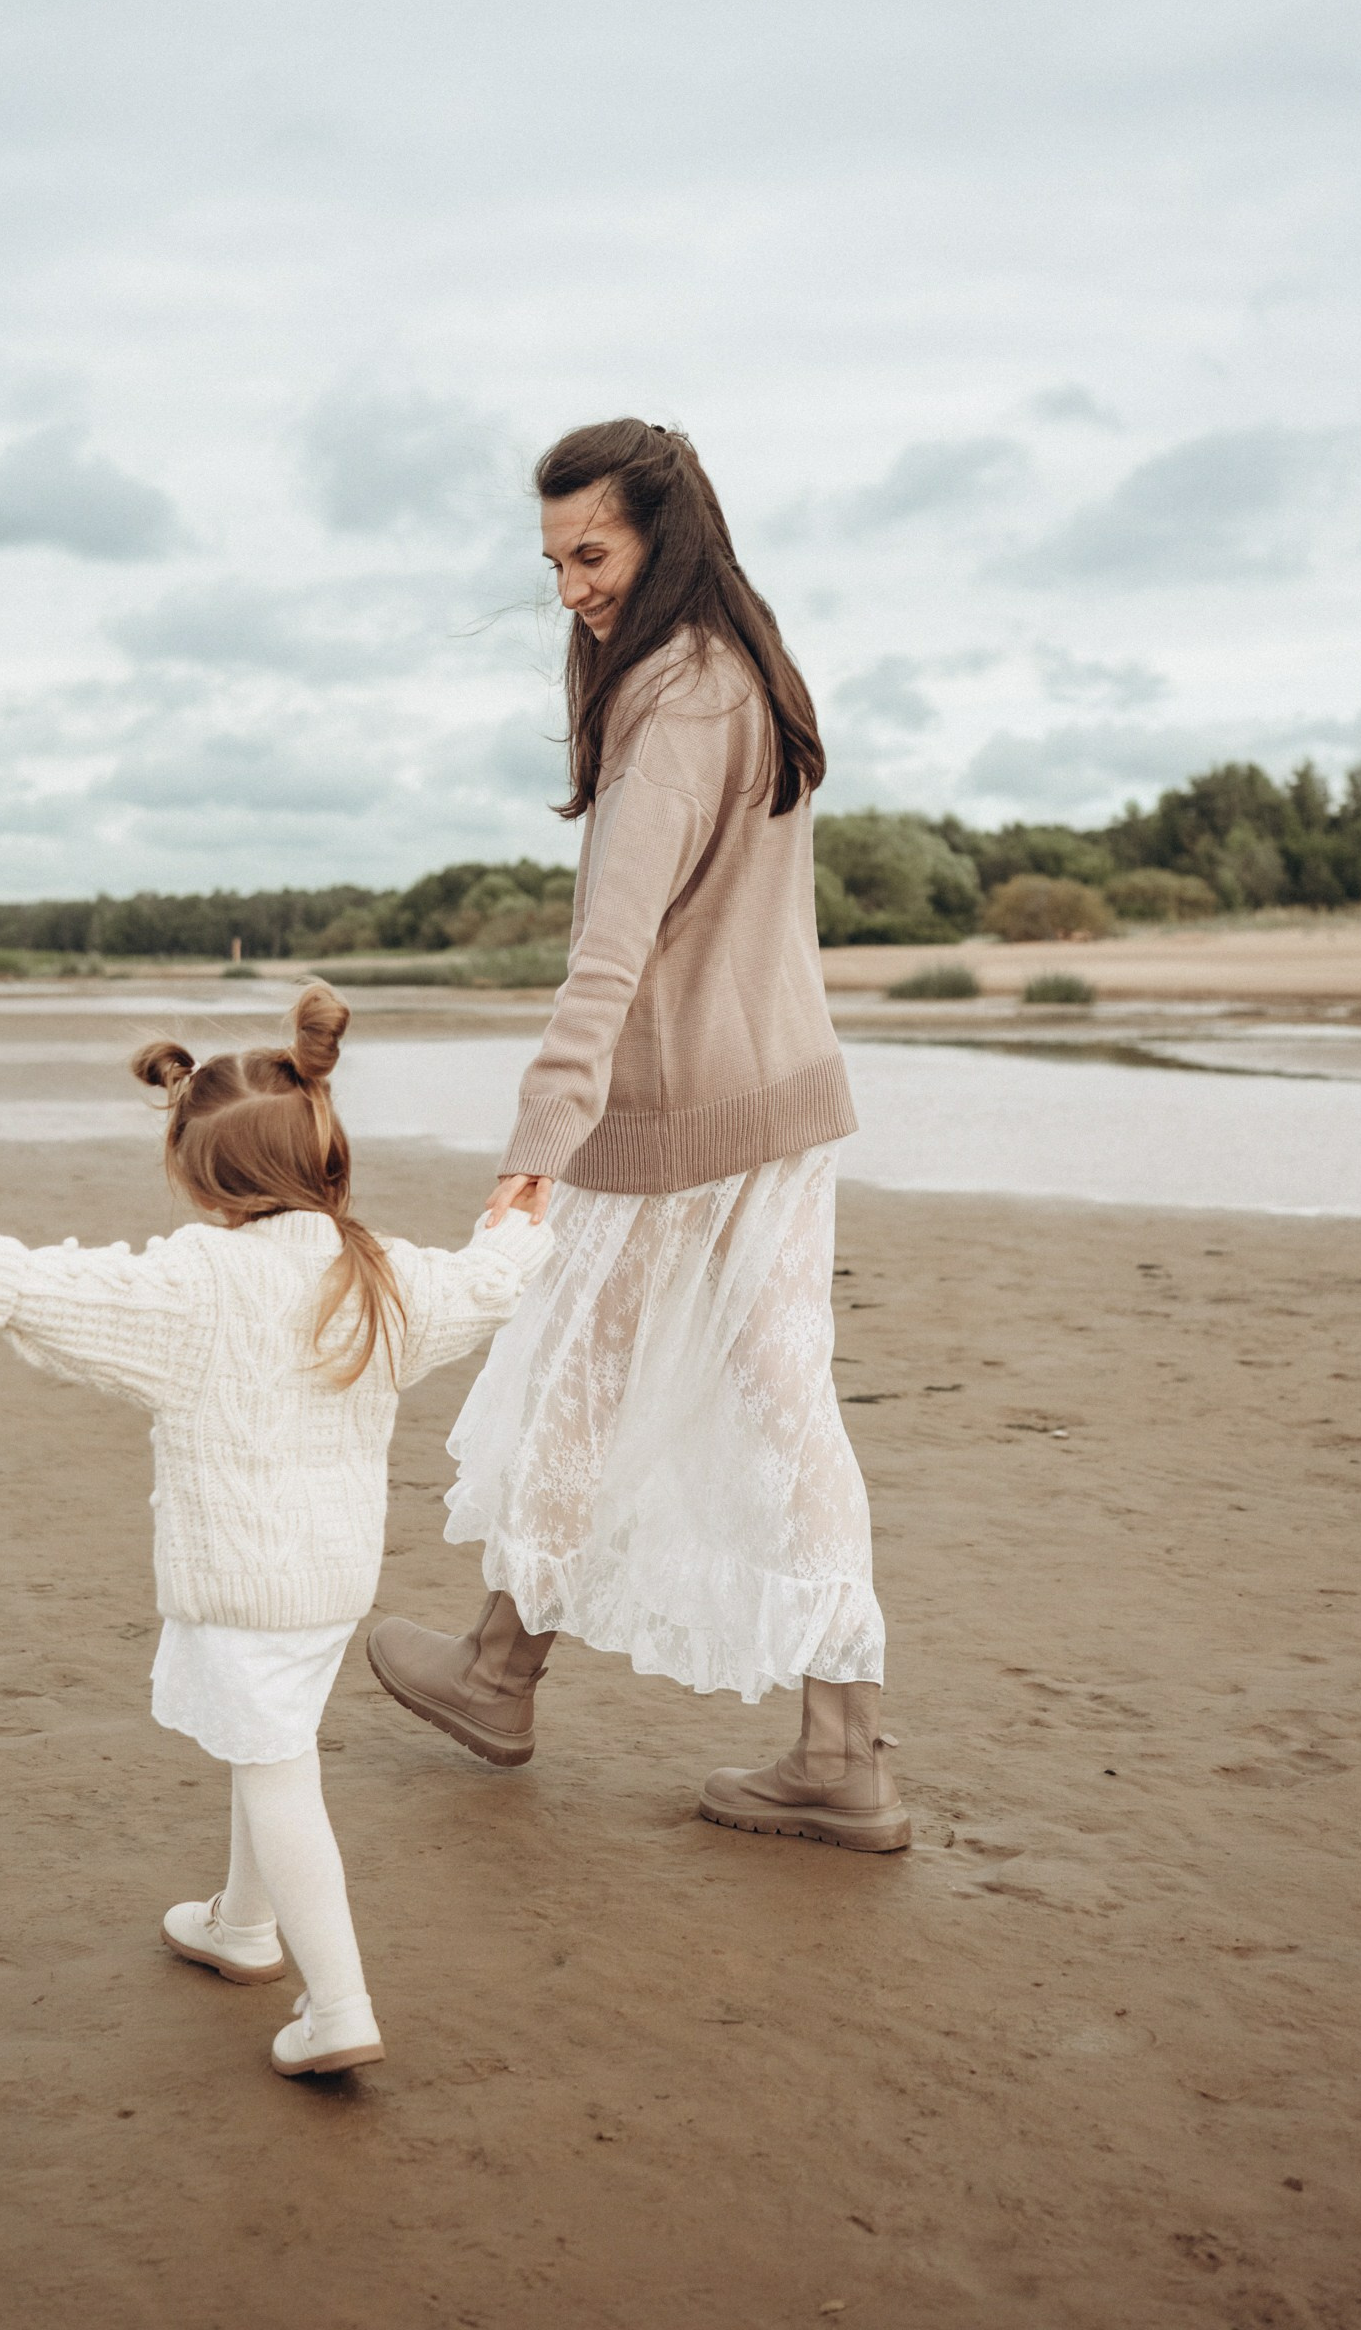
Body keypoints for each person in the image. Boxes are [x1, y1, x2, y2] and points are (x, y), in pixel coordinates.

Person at [367, 419, 910, 1854]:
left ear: (662, 538)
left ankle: (496, 1675)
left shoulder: (673, 701)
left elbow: (605, 957)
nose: (567, 590)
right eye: (549, 561)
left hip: (680, 1108)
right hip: (786, 1096)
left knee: (572, 1372)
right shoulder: (743, 666)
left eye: (588, 555)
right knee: (784, 1401)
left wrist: (533, 1144)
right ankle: (841, 1751)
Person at [0, 984, 554, 2077]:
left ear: (200, 1181)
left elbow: (87, 1294)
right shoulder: (379, 1271)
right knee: (272, 1739)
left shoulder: (199, 1280)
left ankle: (339, 2001)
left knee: (273, 1766)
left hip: (240, 1579)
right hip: (327, 1577)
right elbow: (482, 1287)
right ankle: (242, 1927)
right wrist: (517, 1227)